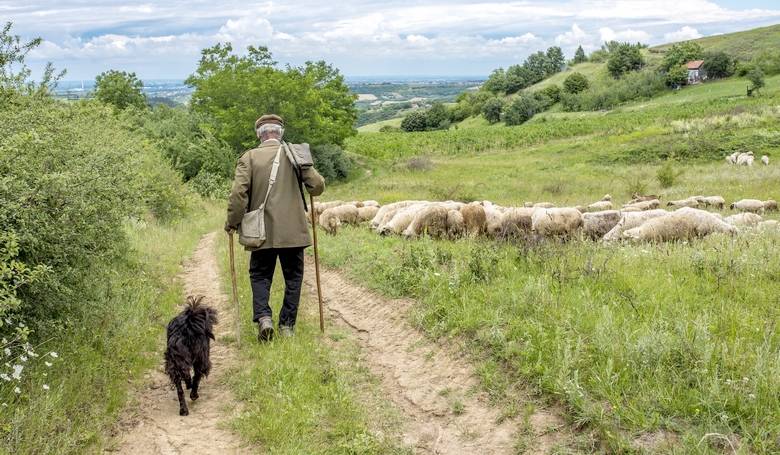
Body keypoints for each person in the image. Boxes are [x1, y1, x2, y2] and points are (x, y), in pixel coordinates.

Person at [225, 114, 325, 341]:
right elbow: (317, 188)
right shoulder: (295, 154)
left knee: (260, 275)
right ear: (280, 133)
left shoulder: (249, 158)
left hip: (260, 232)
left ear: (259, 134)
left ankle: (264, 318)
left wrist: (232, 223)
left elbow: (238, 195)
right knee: (293, 278)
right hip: (294, 233)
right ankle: (287, 326)